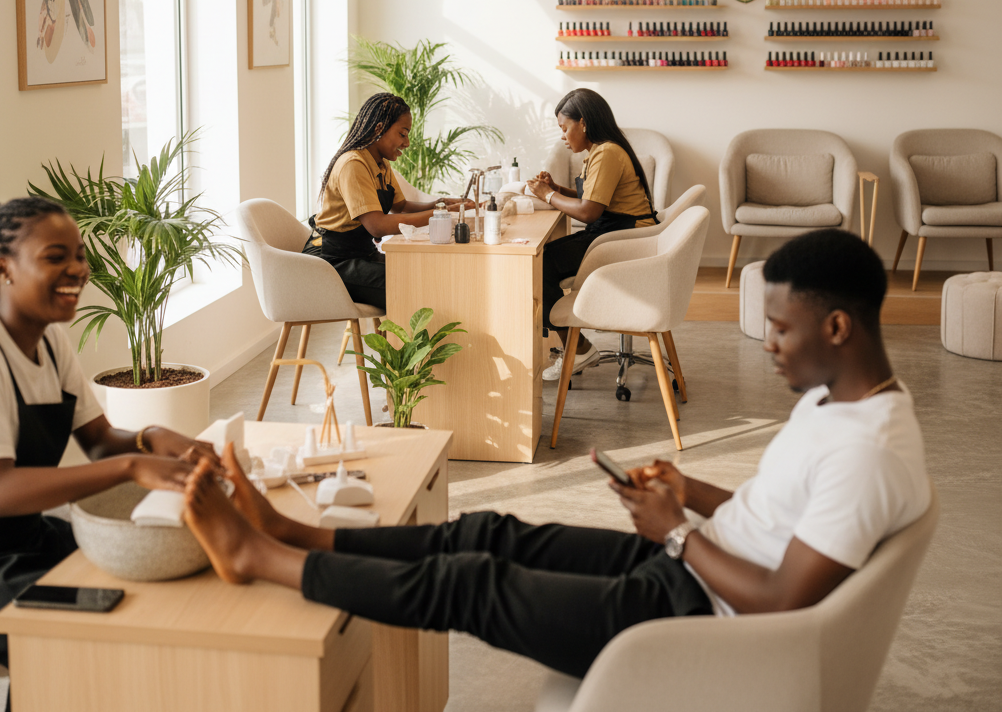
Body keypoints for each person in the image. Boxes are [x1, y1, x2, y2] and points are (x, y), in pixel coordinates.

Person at [183, 228, 930, 680]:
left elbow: (781, 599)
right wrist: (688, 491)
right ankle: (301, 535)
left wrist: (672, 529)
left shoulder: (869, 455)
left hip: (696, 618)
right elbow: (778, 527)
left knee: (472, 585)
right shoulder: (837, 402)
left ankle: (260, 558)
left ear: (836, 328)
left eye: (781, 329)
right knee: (489, 534)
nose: (767, 343)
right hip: (691, 566)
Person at [0, 198, 218, 670]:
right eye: (55, 256)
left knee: (148, 587)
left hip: (27, 539)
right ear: (3, 269)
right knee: (97, 637)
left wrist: (151, 438)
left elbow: (99, 442)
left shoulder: (49, 339)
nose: (78, 269)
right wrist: (132, 465)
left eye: (80, 255)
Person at [525, 89, 658, 379]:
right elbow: (597, 198)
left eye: (564, 128)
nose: (563, 136)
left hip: (627, 239)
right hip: (618, 231)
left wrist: (547, 195)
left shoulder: (607, 152)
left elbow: (588, 212)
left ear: (582, 123)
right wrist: (558, 190)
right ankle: (575, 345)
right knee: (547, 259)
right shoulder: (602, 150)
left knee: (541, 263)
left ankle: (579, 349)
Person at [303, 92, 471, 309]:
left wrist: (441, 204)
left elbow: (401, 206)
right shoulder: (353, 164)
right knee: (414, 285)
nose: (407, 143)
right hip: (330, 264)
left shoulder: (379, 162)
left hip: (361, 255)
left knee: (427, 273)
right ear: (379, 128)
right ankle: (405, 344)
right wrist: (440, 215)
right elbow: (377, 226)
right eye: (403, 134)